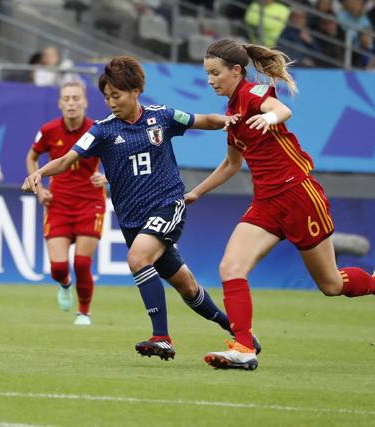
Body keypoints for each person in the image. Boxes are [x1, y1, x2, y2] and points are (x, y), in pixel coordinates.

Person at [185, 38, 375, 371]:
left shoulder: (253, 95)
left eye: (215, 73)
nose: (211, 80)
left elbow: (281, 109)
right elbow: (232, 164)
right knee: (230, 267)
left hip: (299, 195)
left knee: (331, 285)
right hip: (266, 203)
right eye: (207, 74)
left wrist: (270, 120)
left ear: (236, 71)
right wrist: (197, 192)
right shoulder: (232, 112)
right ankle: (244, 347)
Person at [23, 56, 261, 360]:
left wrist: (227, 120)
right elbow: (67, 159)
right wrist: (41, 173)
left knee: (137, 258)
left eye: (116, 95)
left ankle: (161, 337)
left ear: (136, 90)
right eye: (107, 96)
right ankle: (241, 334)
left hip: (167, 205)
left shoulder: (162, 117)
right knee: (187, 287)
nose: (111, 102)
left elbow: (204, 120)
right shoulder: (101, 131)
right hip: (133, 221)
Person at [26, 81, 106, 326]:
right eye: (67, 99)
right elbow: (32, 157)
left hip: (90, 201)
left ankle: (84, 312)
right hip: (58, 203)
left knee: (82, 263)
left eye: (76, 98)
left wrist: (106, 176)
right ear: (60, 104)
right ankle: (64, 284)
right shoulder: (49, 130)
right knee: (58, 268)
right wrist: (39, 189)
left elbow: (117, 158)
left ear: (85, 102)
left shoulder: (98, 129)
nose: (71, 103)